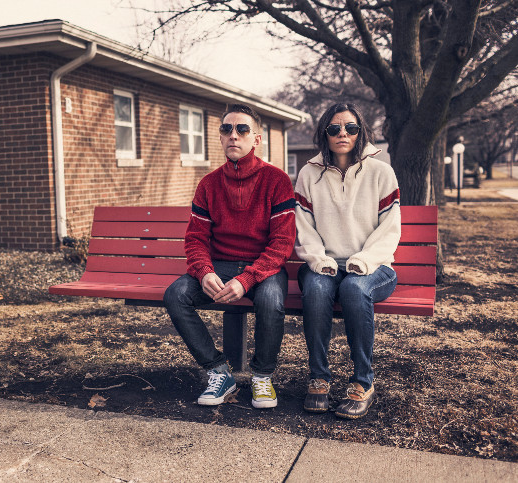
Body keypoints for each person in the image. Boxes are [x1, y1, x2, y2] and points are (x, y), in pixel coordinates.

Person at [163, 103, 296, 409]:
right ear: (220, 137)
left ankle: (262, 376)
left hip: (264, 267)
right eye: (226, 129)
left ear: (256, 139)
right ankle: (218, 372)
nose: (233, 135)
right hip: (219, 266)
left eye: (242, 129)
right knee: (176, 295)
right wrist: (204, 271)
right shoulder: (208, 184)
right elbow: (196, 238)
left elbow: (282, 243)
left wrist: (248, 278)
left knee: (271, 300)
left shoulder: (277, 181)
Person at [294, 102, 401, 419]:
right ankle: (319, 378)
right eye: (335, 128)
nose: (343, 133)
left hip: (374, 268)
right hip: (324, 265)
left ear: (361, 131)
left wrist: (364, 262)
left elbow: (389, 229)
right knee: (316, 290)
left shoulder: (381, 172)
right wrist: (319, 260)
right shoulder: (308, 174)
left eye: (351, 127)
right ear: (324, 133)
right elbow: (305, 228)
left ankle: (363, 382)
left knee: (355, 289)